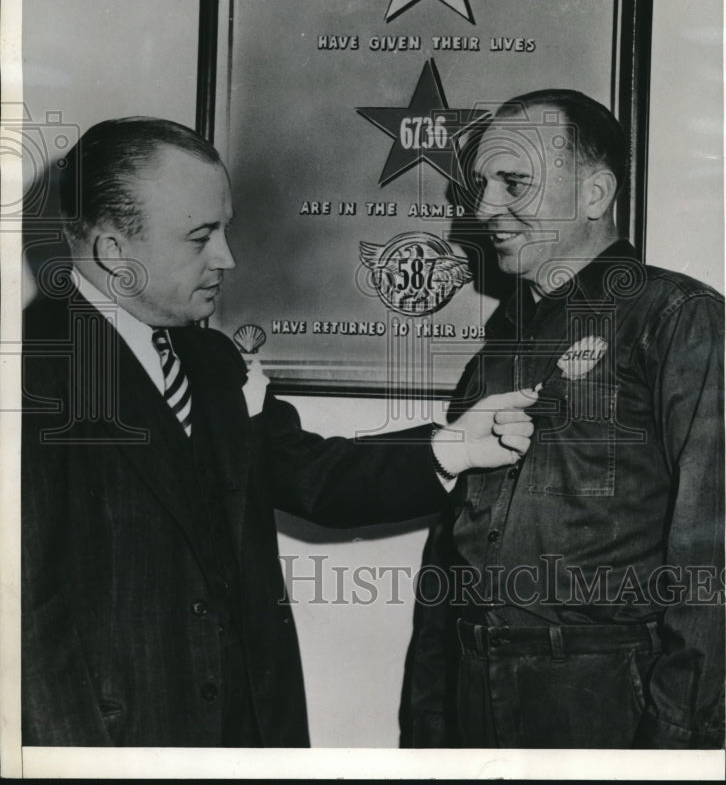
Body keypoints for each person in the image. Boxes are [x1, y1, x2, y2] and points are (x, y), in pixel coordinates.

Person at [21, 117, 538, 748]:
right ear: (112, 252)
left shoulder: (209, 360)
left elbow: (308, 476)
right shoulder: (30, 375)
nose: (227, 258)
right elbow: (22, 623)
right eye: (200, 237)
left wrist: (457, 444)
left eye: (225, 229)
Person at [402, 89, 725, 750]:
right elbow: (448, 559)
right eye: (482, 185)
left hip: (605, 702)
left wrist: (676, 737)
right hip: (474, 698)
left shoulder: (676, 319)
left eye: (513, 183)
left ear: (595, 194)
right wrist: (430, 721)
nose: (484, 207)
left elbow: (712, 553)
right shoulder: (505, 342)